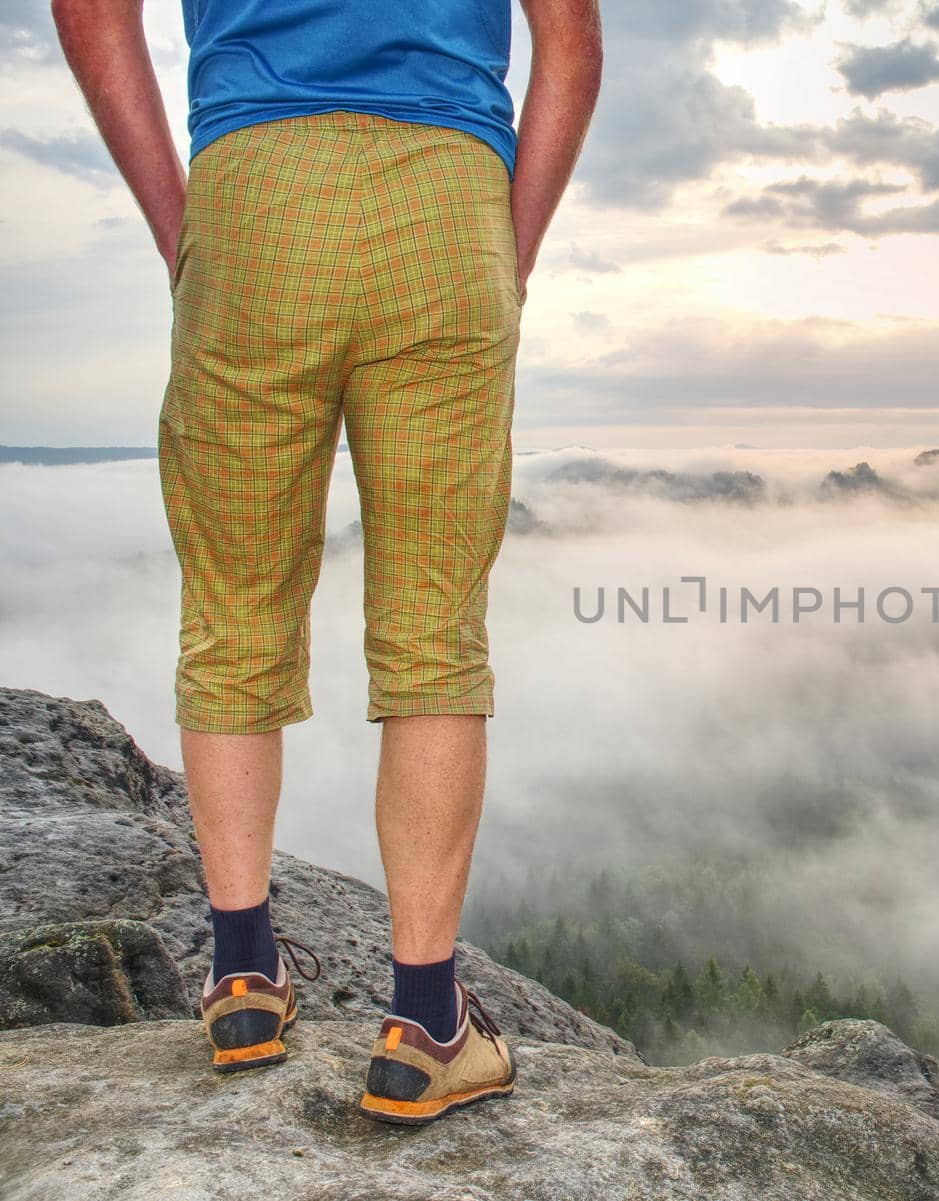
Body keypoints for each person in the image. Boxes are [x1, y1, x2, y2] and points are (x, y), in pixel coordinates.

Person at [52, 0, 602, 1125]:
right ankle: (425, 1022)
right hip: (448, 201)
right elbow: (573, 44)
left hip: (251, 189)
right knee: (434, 627)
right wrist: (509, 246)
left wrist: (182, 221)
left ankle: (244, 976)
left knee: (235, 606)